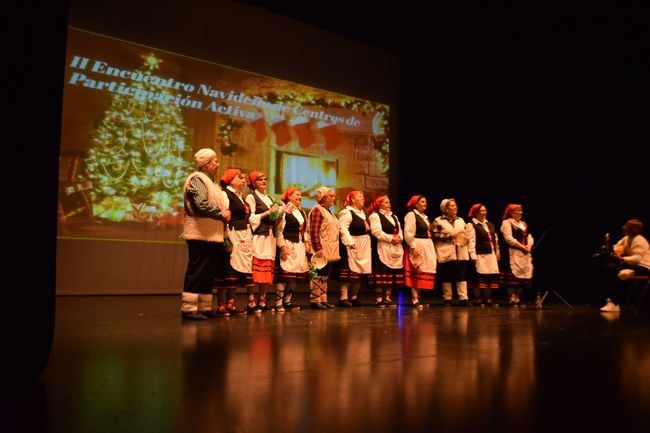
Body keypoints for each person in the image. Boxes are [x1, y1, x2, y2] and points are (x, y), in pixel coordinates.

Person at [180, 148, 231, 320]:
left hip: (212, 234)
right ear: (206, 164)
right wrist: (220, 213)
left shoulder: (211, 182)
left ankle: (204, 307)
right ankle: (189, 308)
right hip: (200, 233)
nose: (217, 164)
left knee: (208, 272)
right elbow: (200, 204)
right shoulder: (197, 179)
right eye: (214, 161)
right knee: (198, 270)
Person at [215, 168, 254, 315]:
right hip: (231, 234)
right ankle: (221, 304)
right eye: (240, 177)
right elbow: (224, 215)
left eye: (244, 178)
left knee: (237, 270)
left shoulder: (241, 197)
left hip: (243, 236)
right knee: (227, 269)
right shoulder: (226, 194)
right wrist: (226, 238)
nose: (244, 180)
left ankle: (231, 303)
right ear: (231, 179)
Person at [245, 171, 280, 312]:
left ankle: (262, 299)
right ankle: (251, 300)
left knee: (267, 269)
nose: (264, 181)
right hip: (258, 236)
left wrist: (281, 212)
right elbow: (251, 218)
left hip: (270, 237)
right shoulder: (251, 197)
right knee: (255, 269)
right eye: (260, 180)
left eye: (265, 179)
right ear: (254, 183)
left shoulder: (270, 198)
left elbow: (275, 218)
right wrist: (267, 212)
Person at [600, 219, 650, 312]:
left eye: (626, 226)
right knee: (610, 267)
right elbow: (617, 247)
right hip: (632, 265)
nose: (623, 227)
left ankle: (614, 302)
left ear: (633, 229)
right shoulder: (627, 238)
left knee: (619, 271)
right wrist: (612, 251)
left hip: (644, 267)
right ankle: (613, 299)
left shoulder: (639, 240)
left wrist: (623, 259)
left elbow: (637, 258)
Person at [274, 187, 309, 311]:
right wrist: (282, 247)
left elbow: (305, 231)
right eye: (297, 195)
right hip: (288, 244)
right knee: (284, 275)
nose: (299, 197)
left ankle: (287, 301)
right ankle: (279, 303)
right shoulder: (285, 210)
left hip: (299, 245)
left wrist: (306, 243)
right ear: (289, 196)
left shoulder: (302, 212)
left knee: (294, 275)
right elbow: (279, 230)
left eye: (300, 195)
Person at [336, 191, 372, 307]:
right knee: (348, 272)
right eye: (360, 197)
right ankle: (343, 297)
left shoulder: (362, 213)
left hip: (362, 245)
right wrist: (350, 243)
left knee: (359, 271)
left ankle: (354, 296)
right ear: (352, 199)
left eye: (363, 197)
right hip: (351, 244)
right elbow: (343, 228)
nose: (363, 199)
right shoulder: (347, 212)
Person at [432, 198, 471, 306]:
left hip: (460, 251)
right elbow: (434, 235)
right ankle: (447, 298)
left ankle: (463, 298)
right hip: (446, 251)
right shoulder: (438, 221)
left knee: (461, 275)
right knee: (446, 274)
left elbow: (466, 234)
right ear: (446, 209)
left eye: (455, 205)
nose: (455, 207)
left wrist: (464, 238)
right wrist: (449, 236)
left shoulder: (460, 220)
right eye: (452, 206)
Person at [307, 186, 341, 309]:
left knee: (325, 275)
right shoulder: (317, 210)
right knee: (317, 274)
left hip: (329, 249)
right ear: (323, 197)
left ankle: (322, 298)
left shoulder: (329, 212)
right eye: (330, 196)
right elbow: (314, 230)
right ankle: (315, 300)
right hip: (320, 249)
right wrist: (317, 248)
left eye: (333, 196)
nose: (333, 198)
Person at [368, 195, 404, 307]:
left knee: (391, 272)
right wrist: (390, 239)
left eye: (389, 202)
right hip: (382, 246)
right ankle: (379, 298)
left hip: (394, 248)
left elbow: (400, 230)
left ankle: (388, 297)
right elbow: (376, 231)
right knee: (382, 271)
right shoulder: (375, 216)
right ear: (379, 204)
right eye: (386, 202)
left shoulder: (394, 217)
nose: (389, 204)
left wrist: (399, 238)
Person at [403, 195, 436, 307]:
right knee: (417, 270)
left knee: (424, 271)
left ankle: (418, 297)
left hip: (427, 244)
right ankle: (414, 298)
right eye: (422, 201)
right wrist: (413, 246)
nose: (425, 203)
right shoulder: (411, 215)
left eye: (425, 201)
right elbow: (408, 232)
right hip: (418, 243)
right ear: (415, 204)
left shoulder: (424, 217)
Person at [499, 204, 534, 306]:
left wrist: (529, 246)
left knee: (522, 277)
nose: (520, 212)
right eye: (517, 211)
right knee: (512, 277)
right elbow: (508, 238)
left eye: (521, 210)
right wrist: (522, 247)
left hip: (524, 253)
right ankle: (511, 297)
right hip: (512, 252)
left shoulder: (524, 224)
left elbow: (530, 236)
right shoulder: (507, 223)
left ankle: (517, 297)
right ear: (511, 212)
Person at [466, 204, 500, 306]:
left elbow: (495, 240)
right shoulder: (472, 225)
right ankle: (478, 298)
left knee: (490, 277)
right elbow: (471, 241)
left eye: (485, 210)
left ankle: (487, 298)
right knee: (479, 277)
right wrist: (473, 255)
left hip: (491, 255)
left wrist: (497, 252)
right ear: (476, 213)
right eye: (481, 211)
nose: (484, 212)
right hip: (480, 254)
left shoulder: (490, 224)